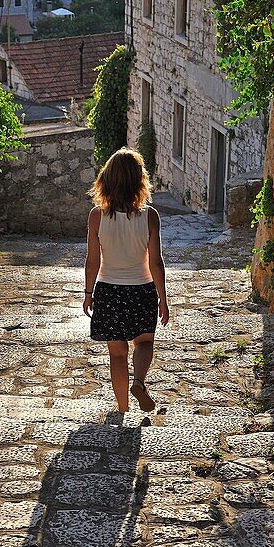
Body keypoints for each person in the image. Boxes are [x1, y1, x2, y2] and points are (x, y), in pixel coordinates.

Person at [83, 147, 169, 413]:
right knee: (144, 343)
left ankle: (122, 408)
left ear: (106, 180)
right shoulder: (149, 216)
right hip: (141, 290)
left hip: (109, 291)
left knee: (117, 354)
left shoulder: (97, 215)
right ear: (139, 181)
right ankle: (140, 382)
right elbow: (156, 262)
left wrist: (88, 293)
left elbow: (92, 260)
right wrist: (163, 300)